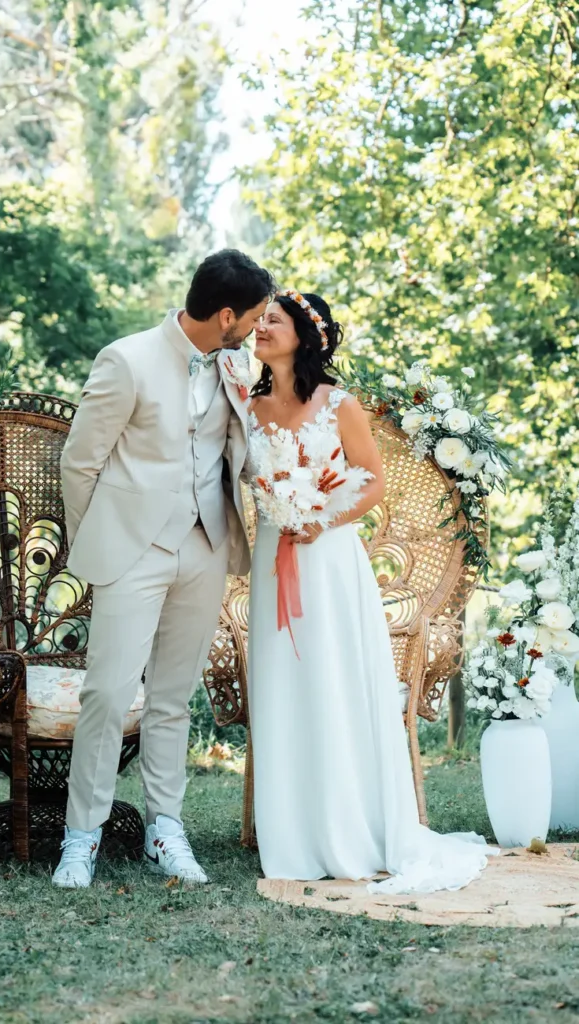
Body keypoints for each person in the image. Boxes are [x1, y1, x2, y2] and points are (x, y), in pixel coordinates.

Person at [246, 289, 497, 892]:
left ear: (306, 338)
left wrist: (321, 518)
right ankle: (293, 832)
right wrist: (281, 508)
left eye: (272, 321)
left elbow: (373, 484)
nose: (261, 329)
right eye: (259, 320)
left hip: (329, 559)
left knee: (333, 679)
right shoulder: (246, 407)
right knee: (282, 683)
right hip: (272, 557)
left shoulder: (340, 405)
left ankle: (351, 826)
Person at [52, 250, 274, 888]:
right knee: (107, 694)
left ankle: (164, 829)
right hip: (132, 552)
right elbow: (80, 463)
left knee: (173, 699)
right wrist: (98, 544)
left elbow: (238, 450)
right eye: (253, 318)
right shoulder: (127, 359)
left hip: (206, 547)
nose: (258, 330)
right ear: (225, 314)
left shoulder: (235, 364)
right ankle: (81, 837)